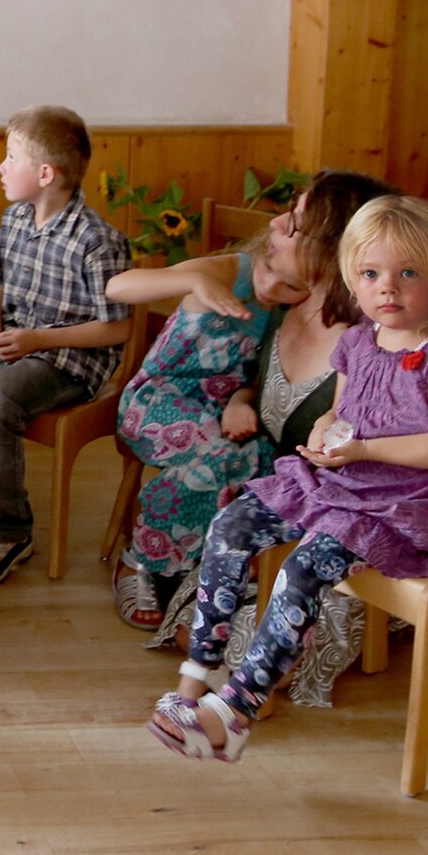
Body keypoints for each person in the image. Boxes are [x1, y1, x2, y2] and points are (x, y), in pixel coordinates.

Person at [148, 196, 428, 761]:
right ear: (351, 282)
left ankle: (237, 709)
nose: (388, 288)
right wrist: (329, 435)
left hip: (405, 503)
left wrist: (361, 447)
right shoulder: (359, 340)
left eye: (408, 274)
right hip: (345, 478)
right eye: (371, 274)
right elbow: (340, 408)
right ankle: (196, 677)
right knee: (232, 524)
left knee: (305, 566)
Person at [142, 170, 401, 706]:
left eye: (298, 223)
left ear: (333, 250)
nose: (278, 223)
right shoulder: (285, 305)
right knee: (198, 635)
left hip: (342, 524)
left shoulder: (373, 345)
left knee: (250, 659)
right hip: (283, 506)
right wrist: (240, 399)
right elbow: (260, 385)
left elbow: (371, 474)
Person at [105, 238, 310, 629]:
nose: (272, 290)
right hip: (155, 400)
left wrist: (240, 402)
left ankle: (202, 564)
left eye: (292, 288)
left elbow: (257, 377)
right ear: (265, 251)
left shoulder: (293, 312)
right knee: (214, 456)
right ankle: (140, 562)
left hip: (219, 409)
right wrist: (194, 280)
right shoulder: (226, 271)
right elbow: (118, 286)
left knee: (264, 456)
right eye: (269, 274)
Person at [0, 105, 133, 587]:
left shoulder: (98, 242)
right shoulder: (17, 219)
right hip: (21, 341)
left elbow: (117, 329)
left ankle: (8, 531)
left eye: (11, 157)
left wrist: (36, 340)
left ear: (46, 173)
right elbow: (0, 280)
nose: (1, 167)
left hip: (71, 360)